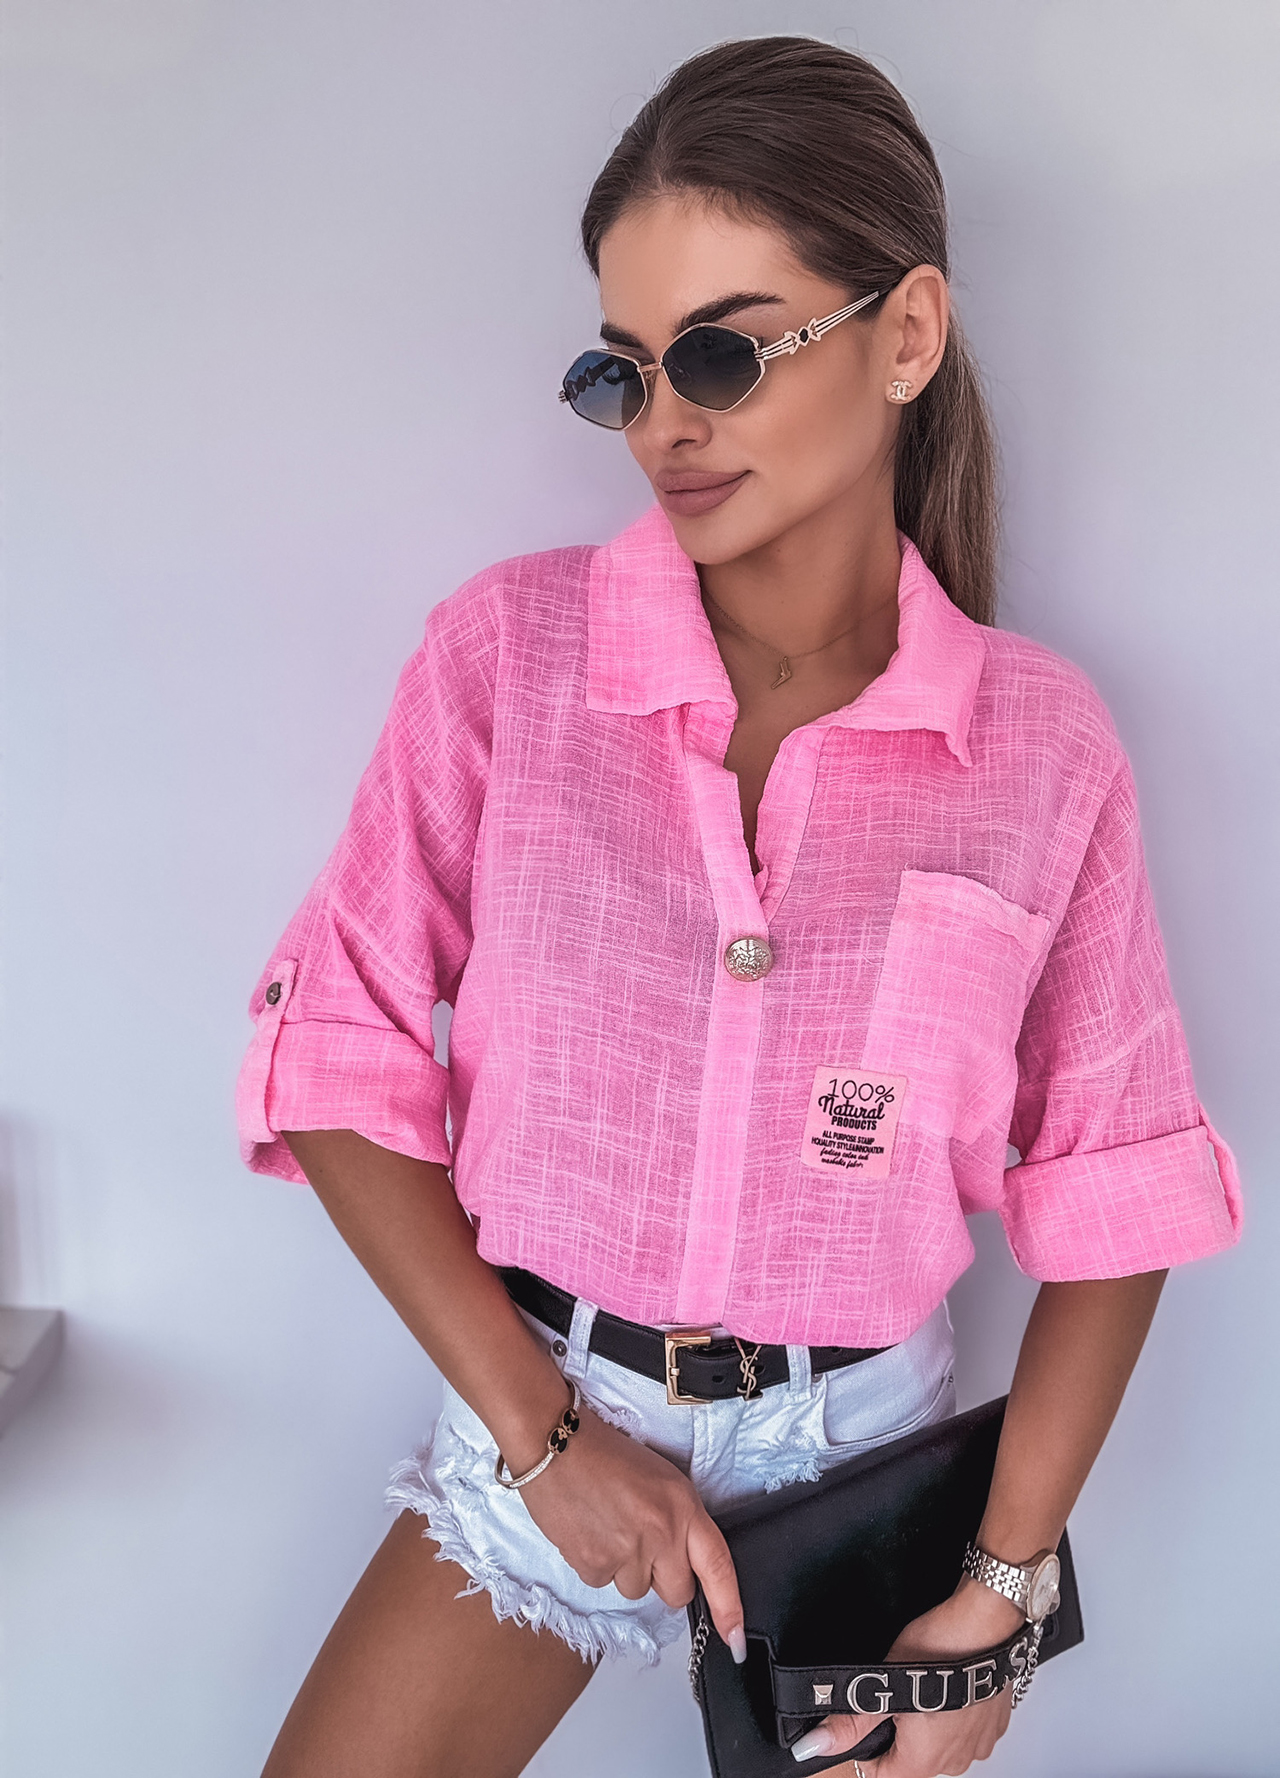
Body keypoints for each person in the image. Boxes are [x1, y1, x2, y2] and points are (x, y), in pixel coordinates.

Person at [235, 36, 1241, 1778]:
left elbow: (1116, 1186)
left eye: (722, 351)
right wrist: (550, 1446)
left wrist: (1001, 1592)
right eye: (623, 371)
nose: (667, 425)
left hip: (862, 1465)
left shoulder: (1041, 747)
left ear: (906, 335)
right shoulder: (511, 659)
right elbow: (334, 1053)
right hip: (548, 1414)